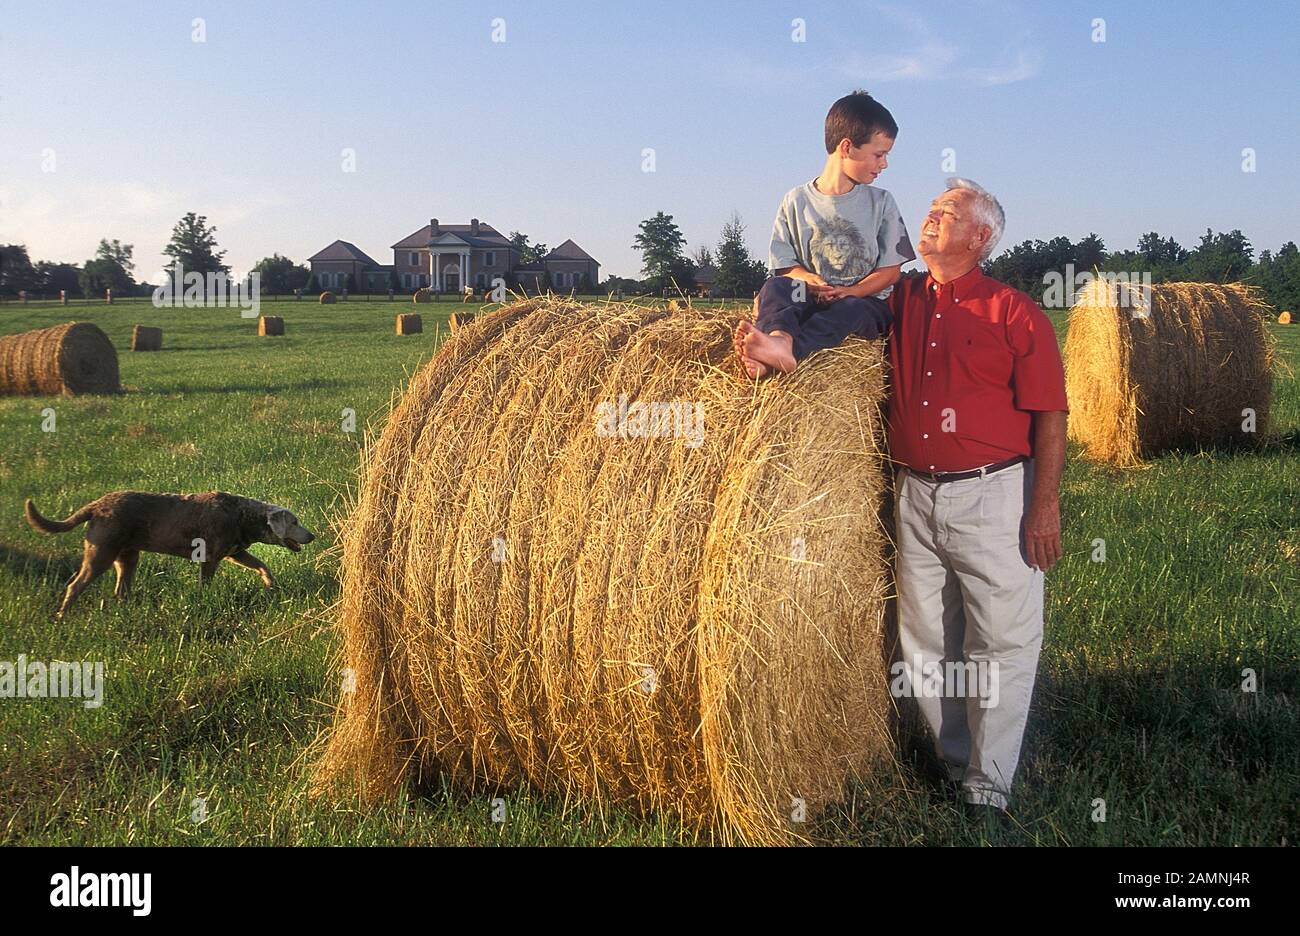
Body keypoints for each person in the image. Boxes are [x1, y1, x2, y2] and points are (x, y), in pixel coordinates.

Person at [889, 177, 1069, 825]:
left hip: (995, 494)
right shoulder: (901, 298)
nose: (932, 218)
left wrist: (1043, 506)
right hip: (913, 493)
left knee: (1001, 641)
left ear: (981, 236)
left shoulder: (1015, 312)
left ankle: (988, 790)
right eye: (932, 210)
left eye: (948, 213)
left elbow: (1050, 416)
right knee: (926, 641)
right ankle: (954, 757)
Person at [736, 90, 915, 378]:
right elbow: (785, 267)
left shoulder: (882, 203)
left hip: (865, 303)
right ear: (846, 147)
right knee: (775, 288)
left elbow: (891, 272)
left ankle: (789, 353)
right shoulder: (795, 201)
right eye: (878, 154)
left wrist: (850, 291)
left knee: (850, 310)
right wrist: (809, 280)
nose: (884, 164)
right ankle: (778, 340)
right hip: (808, 295)